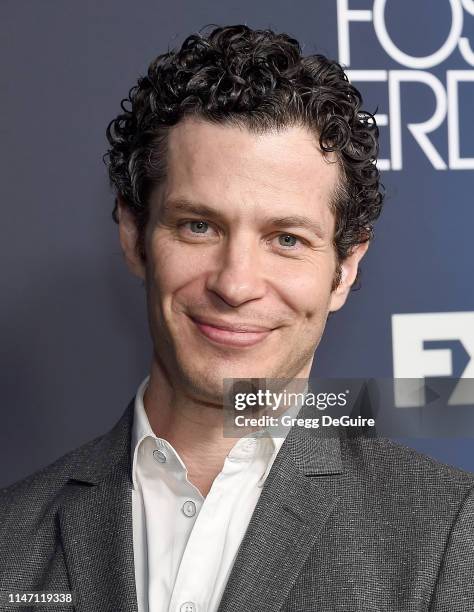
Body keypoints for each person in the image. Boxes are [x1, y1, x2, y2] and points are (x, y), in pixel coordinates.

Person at [1, 24, 473, 612]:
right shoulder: (10, 539)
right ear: (134, 235)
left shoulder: (451, 537)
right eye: (199, 226)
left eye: (287, 239)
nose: (236, 284)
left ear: (346, 268)